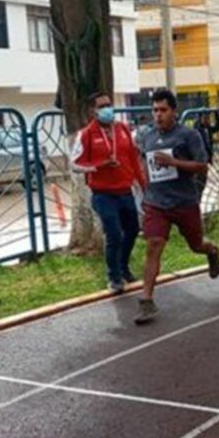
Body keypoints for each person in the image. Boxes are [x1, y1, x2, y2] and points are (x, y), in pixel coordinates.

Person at [136, 90, 219, 324]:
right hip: (156, 203)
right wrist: (145, 192)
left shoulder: (188, 135)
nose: (158, 115)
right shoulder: (148, 137)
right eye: (155, 110)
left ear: (174, 111)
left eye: (163, 110)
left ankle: (212, 251)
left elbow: (202, 166)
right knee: (154, 246)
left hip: (184, 202)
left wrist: (174, 162)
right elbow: (145, 165)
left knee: (196, 245)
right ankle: (146, 301)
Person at [72, 92, 147, 294]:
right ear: (93, 111)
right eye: (102, 106)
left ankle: (123, 267)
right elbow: (75, 164)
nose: (107, 109)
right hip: (103, 195)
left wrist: (143, 186)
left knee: (132, 230)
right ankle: (114, 277)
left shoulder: (122, 129)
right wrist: (99, 165)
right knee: (114, 233)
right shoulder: (86, 134)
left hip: (125, 191)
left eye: (109, 104)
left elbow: (134, 160)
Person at [194, 113, 219, 199]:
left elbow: (218, 127)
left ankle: (199, 198)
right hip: (200, 158)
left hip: (206, 158)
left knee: (203, 180)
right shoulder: (198, 130)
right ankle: (197, 198)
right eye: (205, 118)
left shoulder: (208, 128)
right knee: (198, 181)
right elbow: (196, 126)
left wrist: (216, 114)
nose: (207, 120)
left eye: (208, 118)